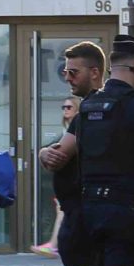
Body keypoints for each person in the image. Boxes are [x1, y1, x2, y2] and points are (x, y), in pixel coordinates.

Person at [42, 38, 134, 266]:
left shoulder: (89, 108)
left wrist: (43, 152)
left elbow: (58, 154)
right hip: (131, 217)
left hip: (91, 215)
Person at [31, 95, 80, 255]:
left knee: (62, 210)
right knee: (61, 210)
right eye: (63, 107)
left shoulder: (77, 128)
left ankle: (54, 244)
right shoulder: (66, 130)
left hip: (74, 181)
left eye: (69, 107)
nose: (65, 110)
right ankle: (54, 244)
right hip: (65, 181)